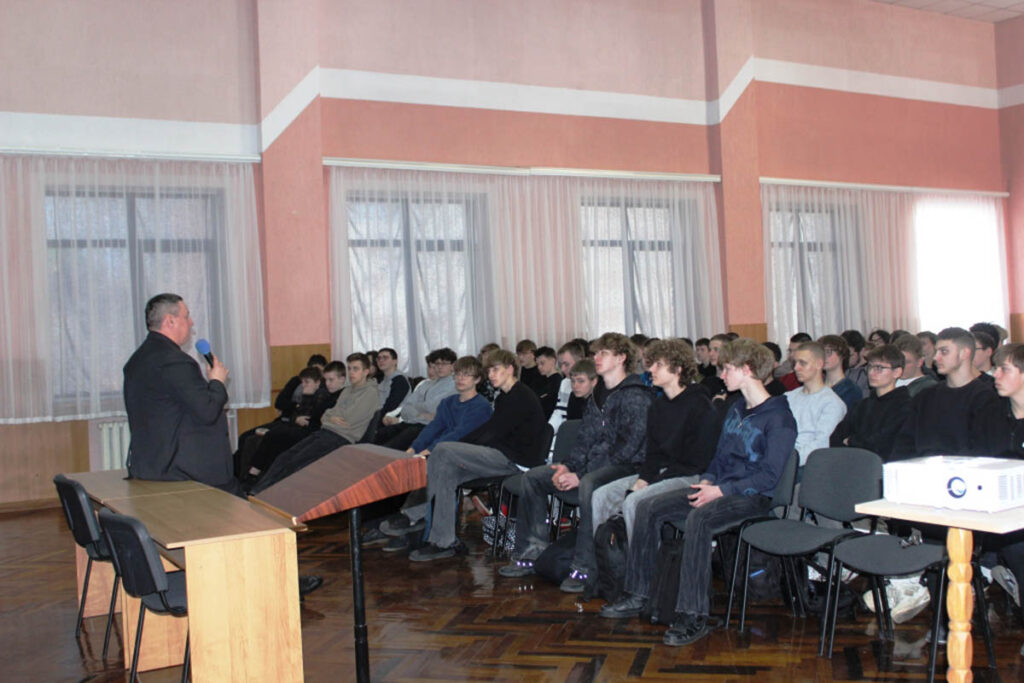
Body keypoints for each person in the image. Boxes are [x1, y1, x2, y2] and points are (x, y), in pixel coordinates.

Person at [598, 339, 797, 648]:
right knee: (648, 507)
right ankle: (639, 592)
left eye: (727, 368)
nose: (722, 374)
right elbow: (717, 458)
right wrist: (707, 481)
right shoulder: (736, 409)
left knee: (699, 520)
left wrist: (721, 489)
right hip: (719, 488)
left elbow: (769, 476)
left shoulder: (779, 417)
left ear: (747, 370)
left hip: (751, 497)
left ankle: (693, 614)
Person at [500, 333, 652, 591]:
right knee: (534, 478)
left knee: (589, 484)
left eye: (604, 353)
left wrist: (581, 475)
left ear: (621, 358)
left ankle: (584, 569)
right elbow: (585, 439)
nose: (596, 358)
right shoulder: (598, 394)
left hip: (628, 468)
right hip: (594, 467)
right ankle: (531, 552)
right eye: (596, 353)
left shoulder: (636, 395)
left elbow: (628, 448)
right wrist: (568, 466)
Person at [408, 349, 547, 562]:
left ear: (510, 369)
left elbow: (491, 434)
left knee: (443, 449)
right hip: (500, 456)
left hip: (516, 462)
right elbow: (489, 432)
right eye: (489, 370)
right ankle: (444, 542)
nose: (491, 375)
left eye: (496, 369)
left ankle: (412, 514)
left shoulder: (520, 396)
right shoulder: (504, 397)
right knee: (447, 471)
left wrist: (457, 447)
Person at [589, 339, 718, 541]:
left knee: (635, 502)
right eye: (651, 364)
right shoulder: (658, 406)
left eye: (659, 365)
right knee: (601, 496)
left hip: (690, 476)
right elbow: (653, 454)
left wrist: (651, 482)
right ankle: (608, 557)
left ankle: (641, 561)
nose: (651, 370)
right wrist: (643, 480)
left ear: (678, 369)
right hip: (661, 473)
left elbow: (698, 460)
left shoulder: (700, 404)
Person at [123, 293, 237, 493]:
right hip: (185, 473)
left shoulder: (138, 358)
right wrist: (217, 382)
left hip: (152, 466)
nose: (191, 323)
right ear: (170, 321)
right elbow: (207, 411)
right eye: (186, 316)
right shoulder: (175, 361)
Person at [378, 356, 494, 551]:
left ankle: (410, 518)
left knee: (433, 466)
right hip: (443, 452)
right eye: (458, 374)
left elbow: (459, 435)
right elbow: (433, 428)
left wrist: (429, 450)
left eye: (466, 375)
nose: (460, 378)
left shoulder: (481, 406)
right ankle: (409, 525)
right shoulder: (448, 402)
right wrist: (414, 449)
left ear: (477, 379)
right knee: (411, 464)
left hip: (468, 457)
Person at [249, 353, 379, 494]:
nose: (351, 372)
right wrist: (331, 417)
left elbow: (349, 419)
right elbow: (326, 415)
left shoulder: (370, 393)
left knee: (298, 461)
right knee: (285, 457)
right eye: (349, 368)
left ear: (366, 371)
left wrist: (331, 417)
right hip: (326, 431)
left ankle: (266, 494)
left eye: (356, 369)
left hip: (341, 438)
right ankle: (257, 491)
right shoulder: (348, 390)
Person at [891, 327, 1000, 461]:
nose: (936, 358)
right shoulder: (925, 397)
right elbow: (904, 443)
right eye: (936, 351)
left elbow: (982, 448)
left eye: (944, 351)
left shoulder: (985, 398)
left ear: (964, 353)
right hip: (921, 467)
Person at [829, 344, 911, 461]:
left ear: (897, 372)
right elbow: (835, 438)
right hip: (852, 464)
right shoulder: (861, 405)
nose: (872, 373)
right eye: (870, 367)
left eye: (879, 368)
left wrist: (851, 441)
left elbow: (882, 444)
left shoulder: (905, 406)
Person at [374, 348, 458, 450]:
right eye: (437, 363)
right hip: (411, 422)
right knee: (376, 437)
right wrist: (420, 414)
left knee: (389, 448)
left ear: (453, 366)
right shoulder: (426, 384)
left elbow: (433, 407)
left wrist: (417, 409)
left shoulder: (455, 385)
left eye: (444, 363)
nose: (439, 367)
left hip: (429, 427)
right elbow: (406, 408)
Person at [785, 341, 846, 467]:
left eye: (803, 363)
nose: (796, 368)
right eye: (795, 363)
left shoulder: (832, 404)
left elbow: (821, 444)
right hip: (783, 459)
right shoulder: (788, 397)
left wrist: (785, 462)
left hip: (807, 466)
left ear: (819, 364)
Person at [818, 334, 861, 411]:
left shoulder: (851, 390)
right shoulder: (816, 386)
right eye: (820, 353)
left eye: (828, 352)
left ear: (842, 355)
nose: (823, 357)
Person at [376, 347, 411, 414]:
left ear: (395, 361)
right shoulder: (382, 380)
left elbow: (391, 407)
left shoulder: (400, 380)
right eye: (379, 358)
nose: (381, 360)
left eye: (385, 358)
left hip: (394, 417)